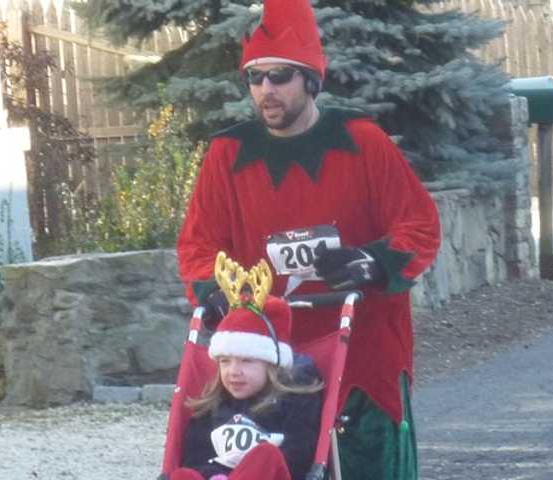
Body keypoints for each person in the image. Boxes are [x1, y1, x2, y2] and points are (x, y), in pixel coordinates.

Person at [176, 0, 441, 477]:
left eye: (280, 76)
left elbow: (418, 225)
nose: (266, 90)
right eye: (255, 78)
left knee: (370, 460)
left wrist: (374, 261)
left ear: (310, 80)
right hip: (265, 354)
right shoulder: (226, 154)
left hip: (362, 343)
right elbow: (197, 245)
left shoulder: (363, 141)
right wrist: (210, 288)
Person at [172, 254, 324, 480]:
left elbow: (299, 456)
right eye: (225, 361)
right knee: (183, 475)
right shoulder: (212, 406)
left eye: (246, 361)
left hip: (270, 473)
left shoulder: (295, 400)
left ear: (271, 365)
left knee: (265, 456)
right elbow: (196, 457)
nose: (234, 371)